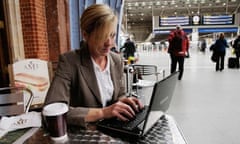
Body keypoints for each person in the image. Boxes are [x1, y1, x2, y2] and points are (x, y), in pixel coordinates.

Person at [44, 4, 143, 127]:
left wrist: (125, 103)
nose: (109, 43)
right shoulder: (69, 62)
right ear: (85, 35)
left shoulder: (116, 60)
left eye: (112, 35)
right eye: (102, 37)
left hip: (114, 131)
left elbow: (119, 95)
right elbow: (51, 110)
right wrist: (102, 113)